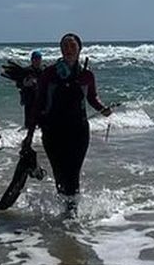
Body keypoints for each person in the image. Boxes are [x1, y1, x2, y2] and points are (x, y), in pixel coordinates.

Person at [22, 33, 112, 198]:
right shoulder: (49, 73)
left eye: (72, 46)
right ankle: (66, 210)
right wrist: (29, 134)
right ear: (61, 50)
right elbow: (39, 103)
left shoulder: (87, 74)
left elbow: (92, 97)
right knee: (60, 174)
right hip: (52, 131)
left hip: (79, 131)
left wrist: (102, 108)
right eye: (65, 46)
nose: (68, 49)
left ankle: (71, 214)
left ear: (79, 49)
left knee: (73, 173)